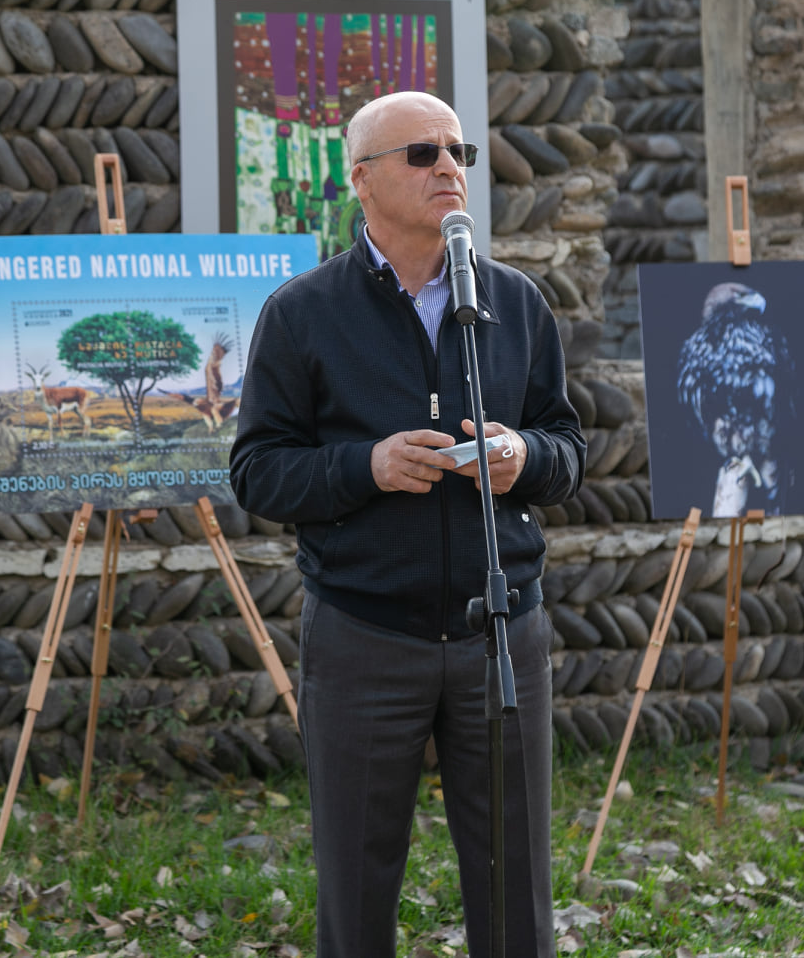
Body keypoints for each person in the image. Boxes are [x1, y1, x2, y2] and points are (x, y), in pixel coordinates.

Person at [230, 91, 585, 958]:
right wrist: (368, 466)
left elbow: (568, 447)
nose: (449, 168)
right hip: (365, 634)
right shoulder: (302, 312)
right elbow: (257, 471)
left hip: (501, 631)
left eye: (458, 150)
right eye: (422, 153)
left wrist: (522, 456)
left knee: (514, 880)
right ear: (361, 179)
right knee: (356, 882)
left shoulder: (513, 301)